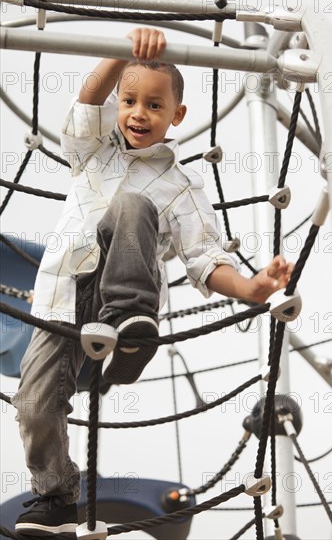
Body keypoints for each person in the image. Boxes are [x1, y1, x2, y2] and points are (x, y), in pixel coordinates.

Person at [12, 28, 293, 534]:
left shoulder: (181, 186)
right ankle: (55, 498)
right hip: (59, 301)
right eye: (130, 100)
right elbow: (86, 100)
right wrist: (119, 51)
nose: (139, 113)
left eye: (154, 105)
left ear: (176, 116)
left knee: (131, 205)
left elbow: (205, 258)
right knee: (32, 406)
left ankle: (130, 322)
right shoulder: (93, 151)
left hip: (121, 305)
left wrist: (253, 288)